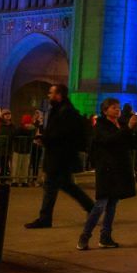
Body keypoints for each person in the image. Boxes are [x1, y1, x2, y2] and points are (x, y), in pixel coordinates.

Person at [26, 84, 96, 229]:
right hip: (59, 157)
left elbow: (63, 134)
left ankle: (45, 218)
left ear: (59, 95)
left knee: (51, 187)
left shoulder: (66, 112)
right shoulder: (60, 110)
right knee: (67, 186)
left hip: (60, 157)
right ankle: (91, 207)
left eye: (51, 93)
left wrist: (45, 139)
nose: (49, 95)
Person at [77, 98, 137, 250]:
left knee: (112, 205)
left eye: (118, 107)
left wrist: (136, 130)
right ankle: (84, 236)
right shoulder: (100, 126)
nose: (117, 110)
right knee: (100, 205)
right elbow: (109, 141)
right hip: (106, 169)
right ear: (105, 111)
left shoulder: (121, 125)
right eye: (113, 108)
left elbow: (132, 145)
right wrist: (127, 129)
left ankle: (105, 237)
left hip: (119, 169)